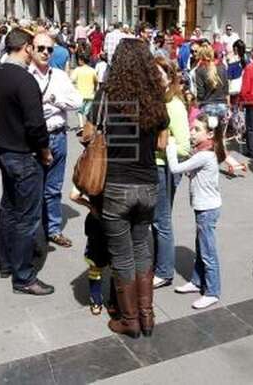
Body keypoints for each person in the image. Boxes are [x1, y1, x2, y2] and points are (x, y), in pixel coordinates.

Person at [89, 37, 169, 338]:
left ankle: (129, 319)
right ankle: (148, 316)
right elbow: (162, 142)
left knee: (122, 254)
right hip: (148, 183)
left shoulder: (107, 95)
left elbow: (87, 134)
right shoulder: (155, 98)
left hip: (117, 184)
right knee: (142, 248)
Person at [0, 28, 55, 295]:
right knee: (26, 216)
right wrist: (45, 150)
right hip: (24, 154)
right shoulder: (24, 80)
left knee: (9, 208)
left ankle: (6, 263)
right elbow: (36, 124)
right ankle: (23, 276)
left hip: (5, 148)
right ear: (27, 47)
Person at [29, 33, 83, 247]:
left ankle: (52, 229)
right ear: (31, 49)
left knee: (53, 187)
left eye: (49, 49)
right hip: (34, 139)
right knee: (33, 189)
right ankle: (32, 235)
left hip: (58, 135)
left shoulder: (59, 76)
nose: (45, 53)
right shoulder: (26, 74)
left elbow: (77, 101)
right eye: (41, 48)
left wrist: (56, 101)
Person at [166, 114, 225, 309]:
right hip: (204, 207)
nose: (192, 132)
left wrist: (171, 145)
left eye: (197, 129)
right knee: (201, 248)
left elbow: (175, 168)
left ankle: (212, 291)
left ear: (209, 134)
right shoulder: (203, 151)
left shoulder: (204, 155)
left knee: (208, 252)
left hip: (207, 208)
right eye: (192, 128)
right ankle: (197, 281)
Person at [152, 57, 190, 289]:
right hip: (153, 166)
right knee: (155, 219)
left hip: (164, 168)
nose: (155, 78)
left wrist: (161, 142)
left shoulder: (174, 105)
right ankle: (159, 263)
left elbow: (185, 146)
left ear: (170, 77)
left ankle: (165, 271)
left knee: (161, 220)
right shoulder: (157, 100)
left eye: (160, 74)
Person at [194, 44, 247, 176]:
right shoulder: (222, 67)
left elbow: (200, 94)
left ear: (201, 56)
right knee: (218, 139)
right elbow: (226, 90)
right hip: (222, 107)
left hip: (208, 106)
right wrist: (228, 105)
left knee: (207, 140)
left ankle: (205, 165)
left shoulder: (200, 70)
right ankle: (233, 164)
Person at [71, 52, 98, 129]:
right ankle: (87, 125)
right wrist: (95, 89)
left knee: (79, 111)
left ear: (81, 60)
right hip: (90, 95)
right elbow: (96, 81)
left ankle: (81, 126)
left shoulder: (77, 70)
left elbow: (72, 80)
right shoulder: (92, 70)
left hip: (80, 95)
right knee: (87, 112)